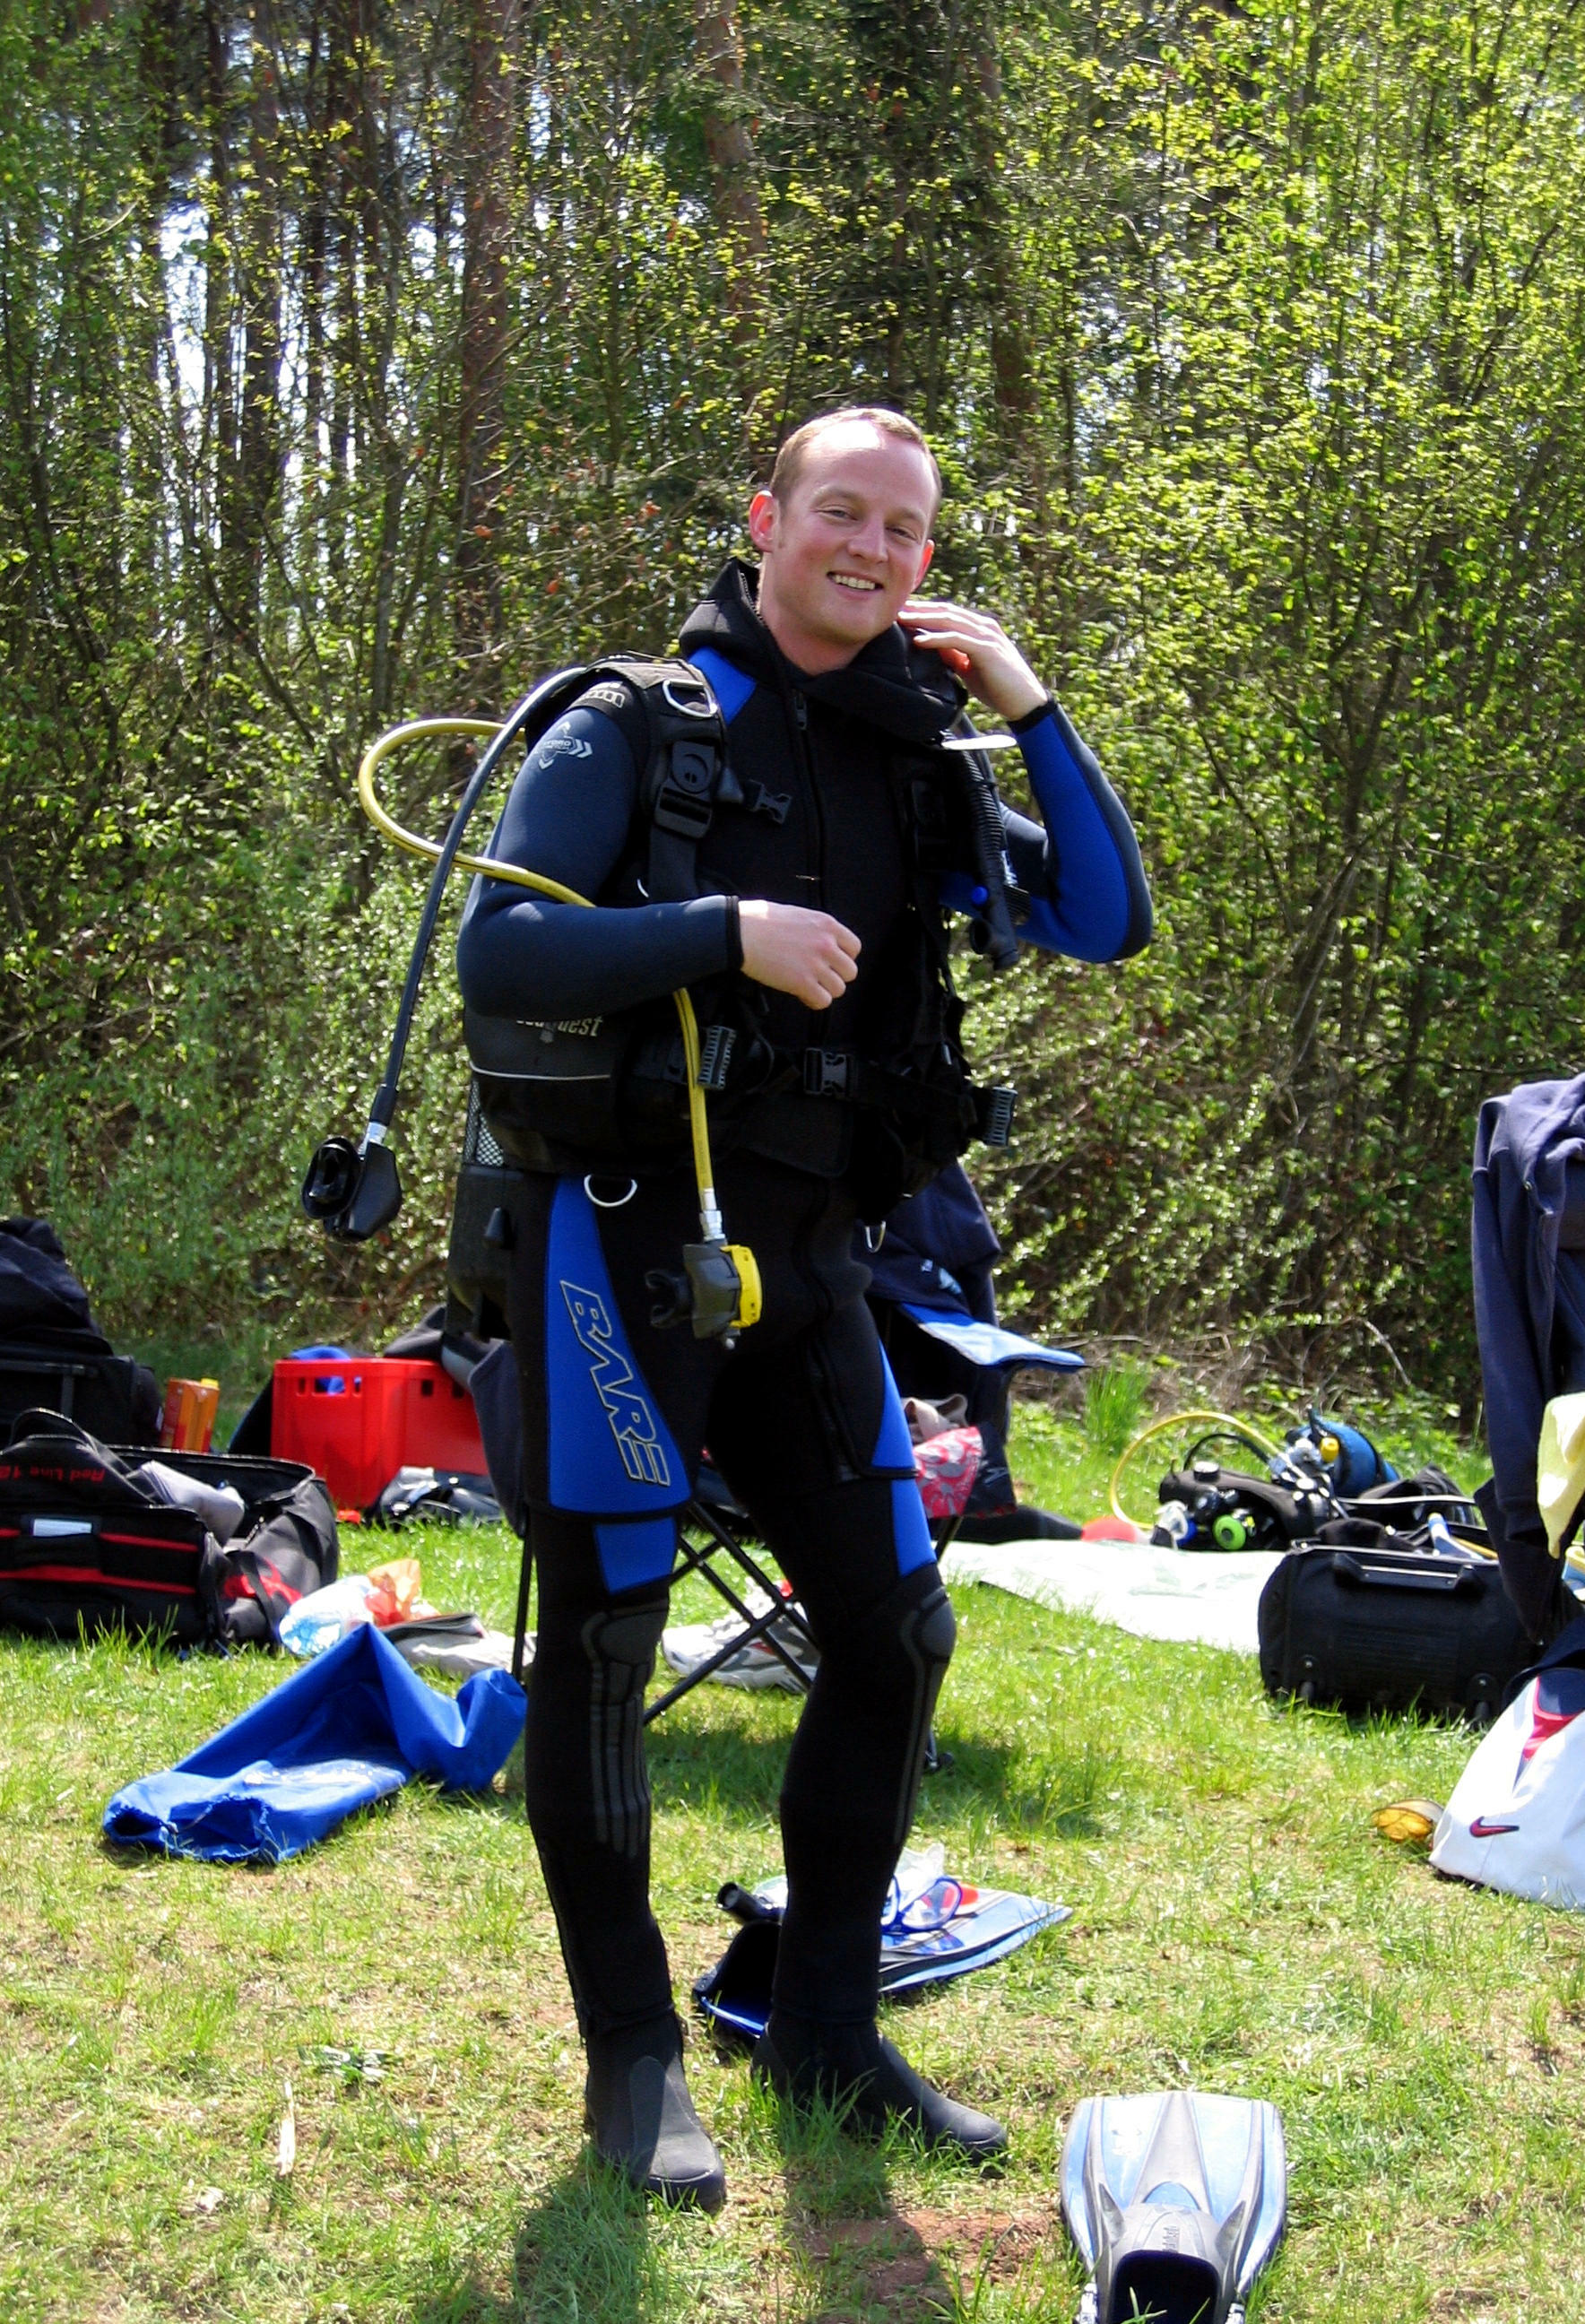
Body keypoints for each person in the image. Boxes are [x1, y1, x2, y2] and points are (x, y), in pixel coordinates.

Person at [456, 405, 1152, 2211]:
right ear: (767, 523)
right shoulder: (636, 726)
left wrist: (1031, 707)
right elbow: (497, 952)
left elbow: (1104, 919)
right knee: (604, 1645)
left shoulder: (920, 759)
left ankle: (828, 2029)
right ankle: (634, 2059)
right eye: (842, 511)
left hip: (812, 1261)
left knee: (897, 1631)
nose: (873, 548)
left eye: (906, 529)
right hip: (620, 1245)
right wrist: (726, 931)